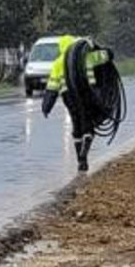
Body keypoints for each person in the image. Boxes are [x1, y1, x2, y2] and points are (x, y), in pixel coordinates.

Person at [41, 35, 115, 172]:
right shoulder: (83, 56)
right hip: (87, 92)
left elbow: (52, 87)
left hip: (68, 96)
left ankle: (80, 159)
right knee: (88, 122)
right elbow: (104, 56)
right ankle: (84, 152)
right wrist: (109, 52)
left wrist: (46, 106)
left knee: (77, 123)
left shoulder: (57, 63)